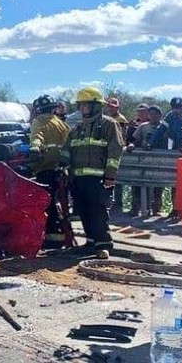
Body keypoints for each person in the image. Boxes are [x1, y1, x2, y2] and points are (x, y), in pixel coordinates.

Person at [60, 87, 124, 259]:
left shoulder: (109, 124)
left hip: (99, 178)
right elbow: (68, 148)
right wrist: (63, 162)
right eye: (80, 105)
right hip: (79, 178)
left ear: (96, 106)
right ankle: (90, 243)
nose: (81, 109)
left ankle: (103, 244)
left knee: (98, 211)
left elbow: (115, 150)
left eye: (85, 105)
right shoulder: (78, 127)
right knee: (83, 210)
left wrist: (110, 174)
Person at [28, 95, 73, 249]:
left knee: (47, 204)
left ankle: (51, 238)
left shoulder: (39, 121)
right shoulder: (62, 124)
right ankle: (64, 236)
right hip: (62, 170)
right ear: (54, 108)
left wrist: (34, 148)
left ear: (38, 109)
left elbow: (37, 136)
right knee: (60, 203)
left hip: (45, 168)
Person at [126, 105, 168, 216]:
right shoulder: (143, 127)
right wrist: (131, 145)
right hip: (143, 160)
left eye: (156, 114)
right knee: (137, 183)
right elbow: (136, 140)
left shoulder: (166, 127)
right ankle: (135, 208)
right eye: (151, 114)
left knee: (158, 186)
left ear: (160, 115)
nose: (153, 116)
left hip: (160, 161)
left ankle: (156, 210)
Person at [104, 97, 130, 211]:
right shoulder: (107, 118)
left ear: (118, 108)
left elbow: (121, 135)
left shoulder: (121, 119)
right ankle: (110, 201)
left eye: (113, 107)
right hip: (108, 149)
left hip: (116, 149)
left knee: (117, 177)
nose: (111, 109)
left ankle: (118, 203)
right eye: (109, 107)